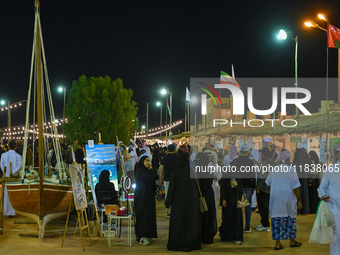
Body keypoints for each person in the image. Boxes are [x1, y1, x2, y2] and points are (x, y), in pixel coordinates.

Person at [265, 150, 302, 250]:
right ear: (288, 159)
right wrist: (299, 200)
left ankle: (278, 244)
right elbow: (296, 188)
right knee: (290, 220)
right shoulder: (291, 170)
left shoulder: (274, 169)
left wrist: (275, 191)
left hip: (276, 199)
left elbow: (268, 184)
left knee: (277, 220)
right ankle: (292, 241)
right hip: (288, 199)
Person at [165, 153, 201, 251]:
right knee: (190, 222)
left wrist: (167, 203)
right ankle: (190, 242)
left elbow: (171, 189)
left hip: (178, 202)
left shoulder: (175, 173)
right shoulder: (192, 171)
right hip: (192, 201)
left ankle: (178, 242)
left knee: (179, 223)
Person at [318, 145, 340, 255]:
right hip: (334, 208)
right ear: (337, 154)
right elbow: (322, 188)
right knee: (337, 235)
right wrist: (323, 196)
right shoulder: (330, 169)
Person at [219, 145, 243, 245]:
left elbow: (241, 190)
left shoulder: (238, 177)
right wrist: (222, 199)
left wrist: (236, 186)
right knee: (227, 218)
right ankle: (227, 236)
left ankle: (237, 236)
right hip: (228, 201)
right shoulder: (225, 177)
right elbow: (223, 189)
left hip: (236, 201)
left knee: (236, 219)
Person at [231, 144, 256, 233]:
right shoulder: (250, 162)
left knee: (237, 206)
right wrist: (253, 187)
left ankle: (237, 226)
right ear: (247, 152)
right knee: (247, 206)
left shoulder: (235, 161)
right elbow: (253, 175)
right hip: (248, 186)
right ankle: (247, 227)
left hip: (237, 186)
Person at [134, 156, 157, 245]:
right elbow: (150, 178)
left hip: (148, 196)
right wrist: (151, 171)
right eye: (146, 160)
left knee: (149, 215)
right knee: (143, 214)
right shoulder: (140, 171)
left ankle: (148, 234)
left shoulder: (147, 171)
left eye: (149, 160)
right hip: (142, 197)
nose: (148, 162)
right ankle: (142, 236)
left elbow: (155, 177)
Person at [196, 152, 217, 244]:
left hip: (198, 195)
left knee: (200, 217)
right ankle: (207, 237)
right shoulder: (209, 169)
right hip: (208, 195)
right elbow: (208, 183)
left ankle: (199, 236)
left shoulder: (195, 170)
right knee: (207, 216)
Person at [254, 147, 275, 232]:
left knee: (263, 207)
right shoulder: (274, 163)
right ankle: (264, 222)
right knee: (268, 207)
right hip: (272, 188)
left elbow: (261, 178)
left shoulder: (264, 164)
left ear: (263, 154)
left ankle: (265, 225)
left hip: (264, 189)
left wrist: (258, 187)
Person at [1, 140, 22, 217]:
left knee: (6, 195)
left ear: (8, 147)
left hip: (6, 176)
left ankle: (6, 211)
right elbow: (19, 166)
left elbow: (2, 165)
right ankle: (12, 212)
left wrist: (6, 172)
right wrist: (12, 173)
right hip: (14, 178)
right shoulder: (18, 156)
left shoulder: (3, 155)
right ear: (16, 147)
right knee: (13, 194)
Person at [159, 144, 177, 218]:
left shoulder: (164, 158)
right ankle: (174, 210)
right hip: (176, 178)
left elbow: (161, 169)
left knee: (167, 193)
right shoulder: (177, 157)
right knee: (175, 193)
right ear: (174, 149)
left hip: (167, 178)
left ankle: (168, 211)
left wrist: (161, 179)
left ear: (168, 150)